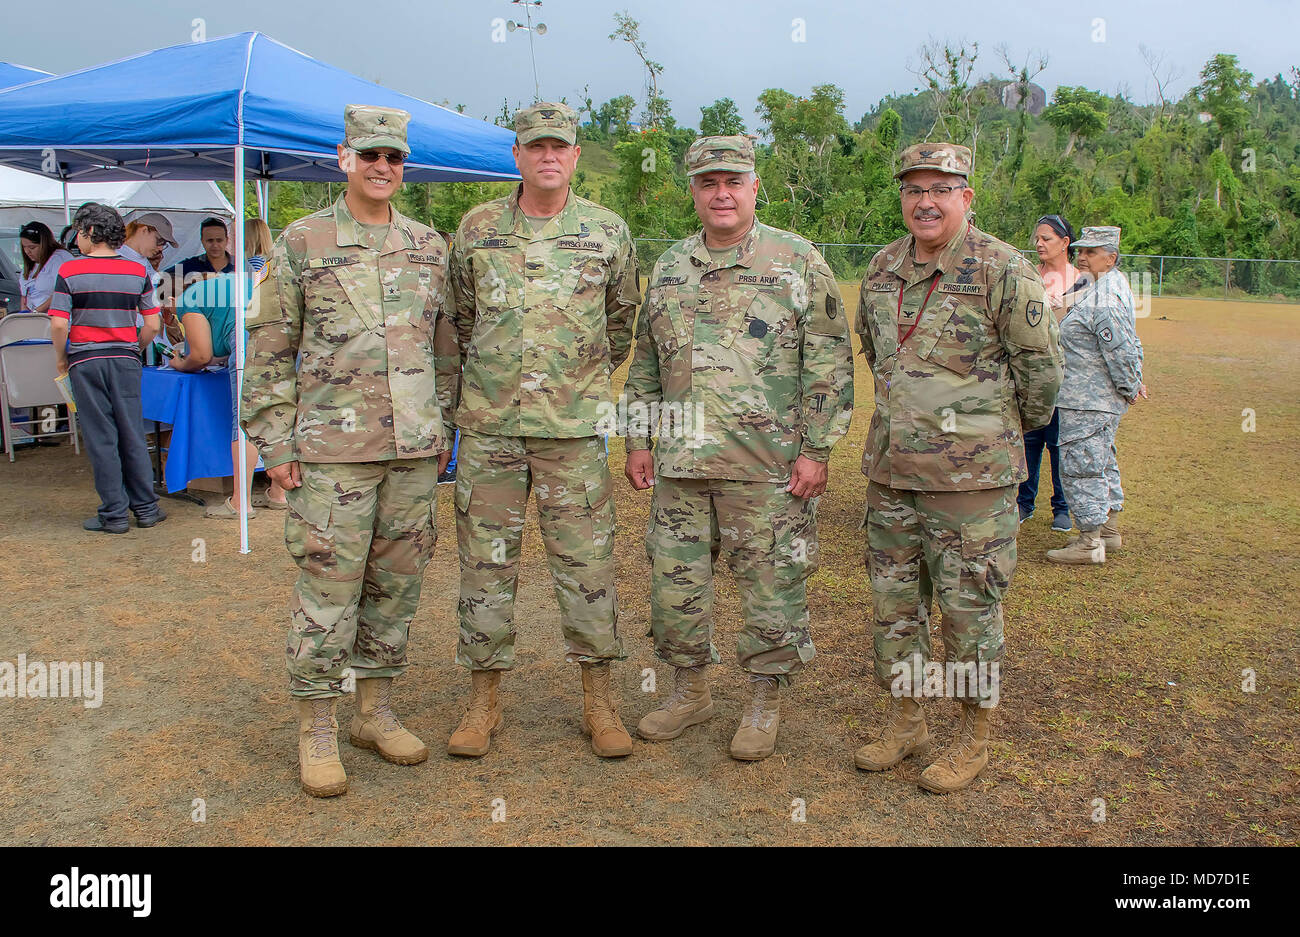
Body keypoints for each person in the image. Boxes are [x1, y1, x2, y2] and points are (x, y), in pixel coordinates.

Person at [241, 105, 459, 797]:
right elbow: (270, 347)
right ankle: (317, 725)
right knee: (328, 590)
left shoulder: (429, 245)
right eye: (369, 155)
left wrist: (443, 425)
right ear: (344, 158)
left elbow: (446, 346)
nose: (382, 168)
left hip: (411, 450)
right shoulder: (302, 243)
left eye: (393, 157)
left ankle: (375, 709)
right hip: (332, 452)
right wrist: (274, 443)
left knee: (396, 588)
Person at [621, 136, 854, 761]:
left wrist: (818, 449)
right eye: (708, 182)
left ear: (754, 187)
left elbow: (829, 360)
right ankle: (688, 690)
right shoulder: (671, 266)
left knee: (772, 586)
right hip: (681, 465)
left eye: (734, 181)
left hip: (767, 465)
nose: (721, 193)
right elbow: (647, 360)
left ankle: (763, 700)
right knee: (676, 587)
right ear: (693, 190)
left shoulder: (797, 261)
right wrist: (639, 438)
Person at [852, 143, 1062, 793]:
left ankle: (973, 737)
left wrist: (990, 439)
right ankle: (907, 719)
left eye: (941, 187)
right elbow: (874, 350)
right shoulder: (883, 268)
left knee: (969, 613)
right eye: (914, 189)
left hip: (972, 486)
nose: (926, 200)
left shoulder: (1003, 268)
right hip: (893, 477)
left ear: (966, 196)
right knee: (896, 609)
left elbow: (1041, 375)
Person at [446, 102, 641, 759]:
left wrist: (572, 384)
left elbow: (619, 327)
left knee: (587, 567)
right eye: (535, 146)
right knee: (484, 567)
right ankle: (482, 702)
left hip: (573, 434)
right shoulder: (475, 230)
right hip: (491, 432)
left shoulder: (608, 232)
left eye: (560, 145)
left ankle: (601, 701)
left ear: (576, 156)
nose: (548, 156)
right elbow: (461, 321)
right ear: (518, 156)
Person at [48, 203, 166, 533]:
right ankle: (146, 508)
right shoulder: (137, 271)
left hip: (86, 360)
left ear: (88, 232)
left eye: (78, 234)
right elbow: (153, 326)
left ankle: (113, 513)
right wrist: (133, 348)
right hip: (126, 360)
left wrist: (61, 356)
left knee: (102, 437)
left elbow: (58, 325)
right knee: (132, 432)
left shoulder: (70, 271)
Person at [168, 220, 286, 518]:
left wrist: (180, 363)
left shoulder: (191, 297)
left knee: (243, 422)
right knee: (278, 417)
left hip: (250, 351)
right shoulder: (255, 279)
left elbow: (202, 355)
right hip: (284, 347)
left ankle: (240, 502)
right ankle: (278, 493)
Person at [1046, 226, 1144, 565]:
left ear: (1111, 258)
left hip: (1088, 399)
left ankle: (1089, 542)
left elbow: (1121, 349)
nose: (1081, 257)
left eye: (1091, 252)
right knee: (1101, 460)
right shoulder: (1097, 286)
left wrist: (1131, 384)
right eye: (1081, 251)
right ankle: (1109, 531)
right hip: (1087, 396)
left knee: (1082, 466)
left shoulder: (1105, 296)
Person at [1017, 214, 1078, 531]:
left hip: (1067, 380)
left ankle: (1062, 508)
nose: (1039, 244)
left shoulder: (1082, 281)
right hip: (1031, 377)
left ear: (1065, 243)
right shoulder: (1029, 278)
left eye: (1047, 239)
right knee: (1029, 441)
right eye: (1037, 238)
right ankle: (1023, 503)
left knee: (1059, 444)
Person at [18, 222, 74, 314]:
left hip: (53, 319)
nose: (27, 251)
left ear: (44, 244)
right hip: (35, 320)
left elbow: (61, 292)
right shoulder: (30, 265)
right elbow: (24, 296)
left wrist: (36, 313)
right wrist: (24, 314)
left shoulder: (59, 258)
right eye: (24, 247)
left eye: (32, 247)